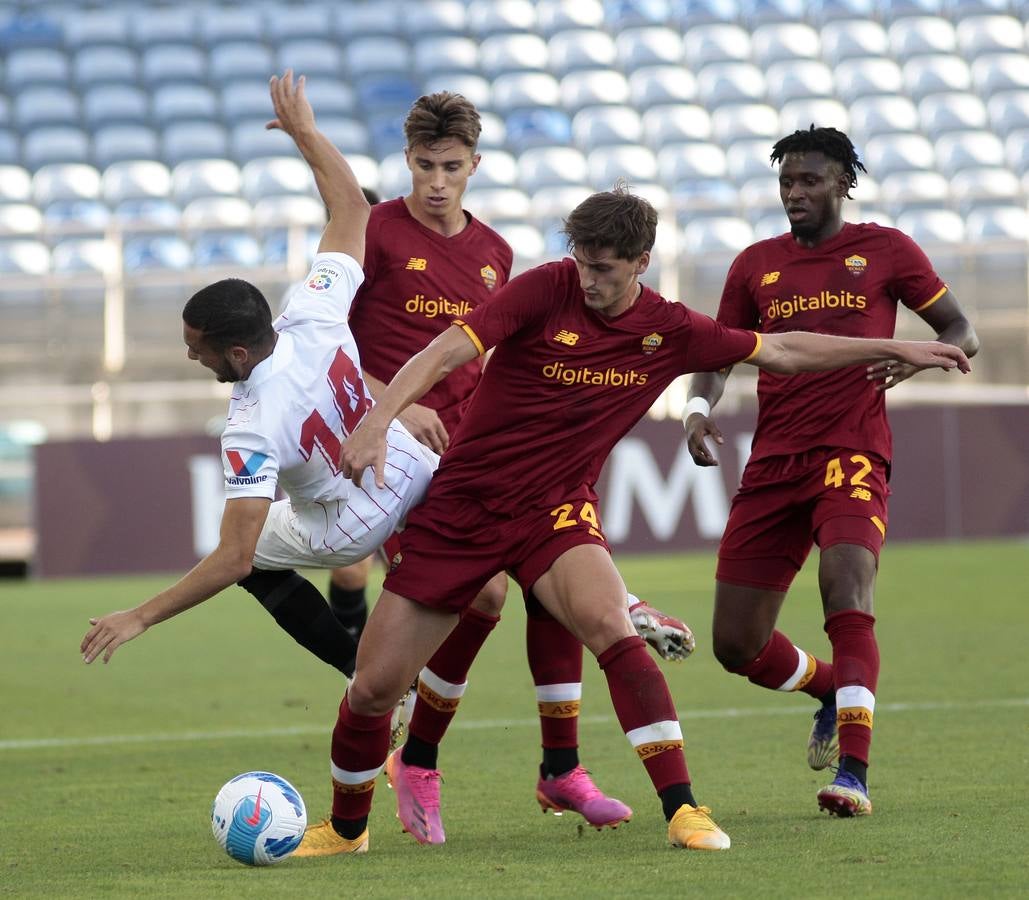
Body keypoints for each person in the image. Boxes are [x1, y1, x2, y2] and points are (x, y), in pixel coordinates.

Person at [292, 181, 970, 857]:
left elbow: (783, 349)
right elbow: (446, 351)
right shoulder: (544, 288)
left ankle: (683, 810)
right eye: (582, 261)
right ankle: (346, 830)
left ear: (640, 261)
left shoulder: (668, 329)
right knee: (374, 688)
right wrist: (377, 420)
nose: (587, 278)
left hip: (554, 513)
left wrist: (897, 349)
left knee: (613, 630)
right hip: (463, 508)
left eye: (604, 268)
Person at [304, 90, 693, 842]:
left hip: (475, 460)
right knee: (483, 596)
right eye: (424, 165)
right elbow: (327, 347)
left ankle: (559, 766)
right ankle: (417, 755)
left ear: (475, 166)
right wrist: (389, 403)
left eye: (451, 167)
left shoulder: (494, 255)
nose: (437, 181)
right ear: (407, 163)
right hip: (391, 453)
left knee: (546, 586)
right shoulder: (373, 233)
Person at [79, 71, 430, 678]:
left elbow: (234, 559)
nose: (192, 357)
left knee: (254, 560)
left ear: (238, 353)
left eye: (199, 348)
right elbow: (353, 207)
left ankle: (357, 670)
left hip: (348, 522)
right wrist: (306, 134)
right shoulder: (314, 310)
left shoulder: (249, 425)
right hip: (409, 467)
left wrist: (139, 615)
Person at [683, 126, 980, 818]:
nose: (794, 193)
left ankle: (853, 771)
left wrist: (912, 356)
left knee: (844, 583)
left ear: (843, 182)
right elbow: (718, 354)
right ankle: (823, 687)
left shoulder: (886, 251)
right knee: (734, 645)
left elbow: (959, 330)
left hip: (851, 450)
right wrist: (698, 410)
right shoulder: (754, 264)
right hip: (773, 462)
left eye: (809, 181)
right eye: (786, 182)